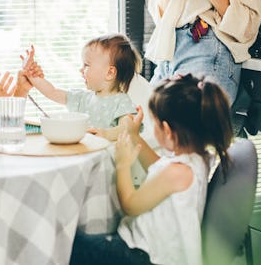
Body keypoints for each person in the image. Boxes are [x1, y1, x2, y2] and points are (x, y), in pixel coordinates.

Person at [70, 73, 234, 265]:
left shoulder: (178, 173)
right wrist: (134, 135)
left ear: (168, 131)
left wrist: (123, 164)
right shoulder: (196, 159)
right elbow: (158, 166)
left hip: (145, 256)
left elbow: (130, 205)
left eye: (154, 123)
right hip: (146, 249)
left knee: (74, 244)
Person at [26, 33, 141, 140]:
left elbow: (128, 128)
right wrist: (32, 76)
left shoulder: (121, 102)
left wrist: (106, 134)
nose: (81, 70)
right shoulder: (82, 98)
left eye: (86, 65)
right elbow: (52, 92)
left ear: (110, 73)